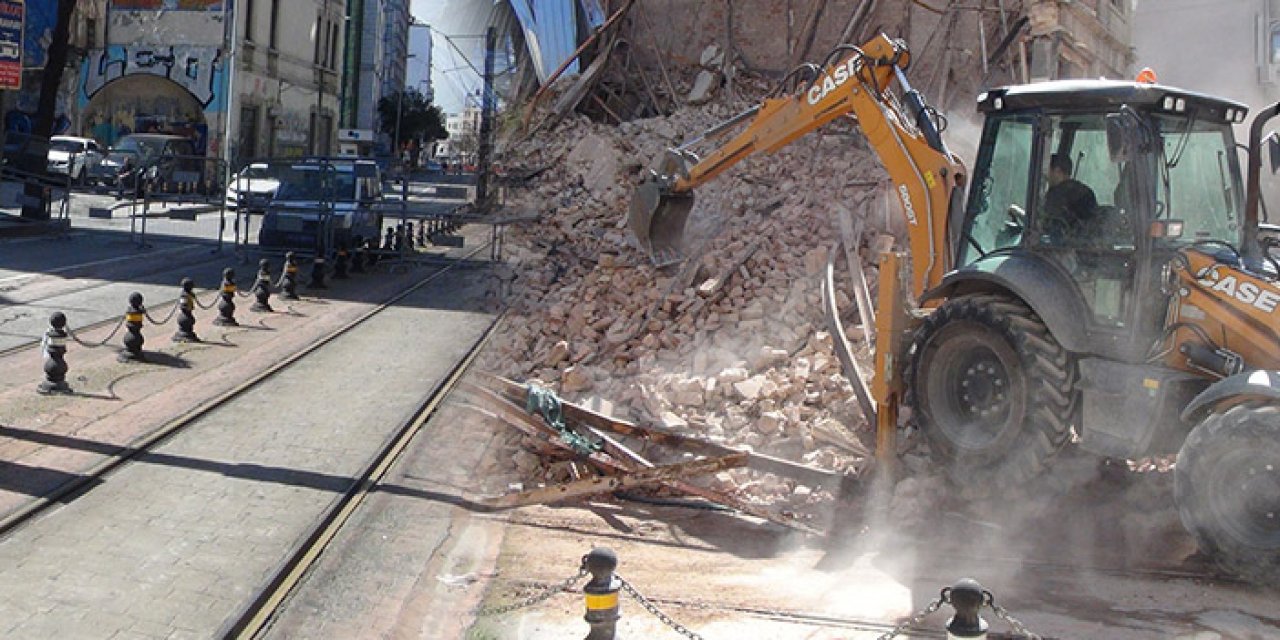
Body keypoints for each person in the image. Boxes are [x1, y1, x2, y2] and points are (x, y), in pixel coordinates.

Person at [1041, 154, 1097, 240]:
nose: (1045, 176)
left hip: (1058, 248)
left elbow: (1041, 225)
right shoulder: (1087, 192)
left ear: (1057, 171)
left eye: (1047, 171)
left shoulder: (1056, 195)